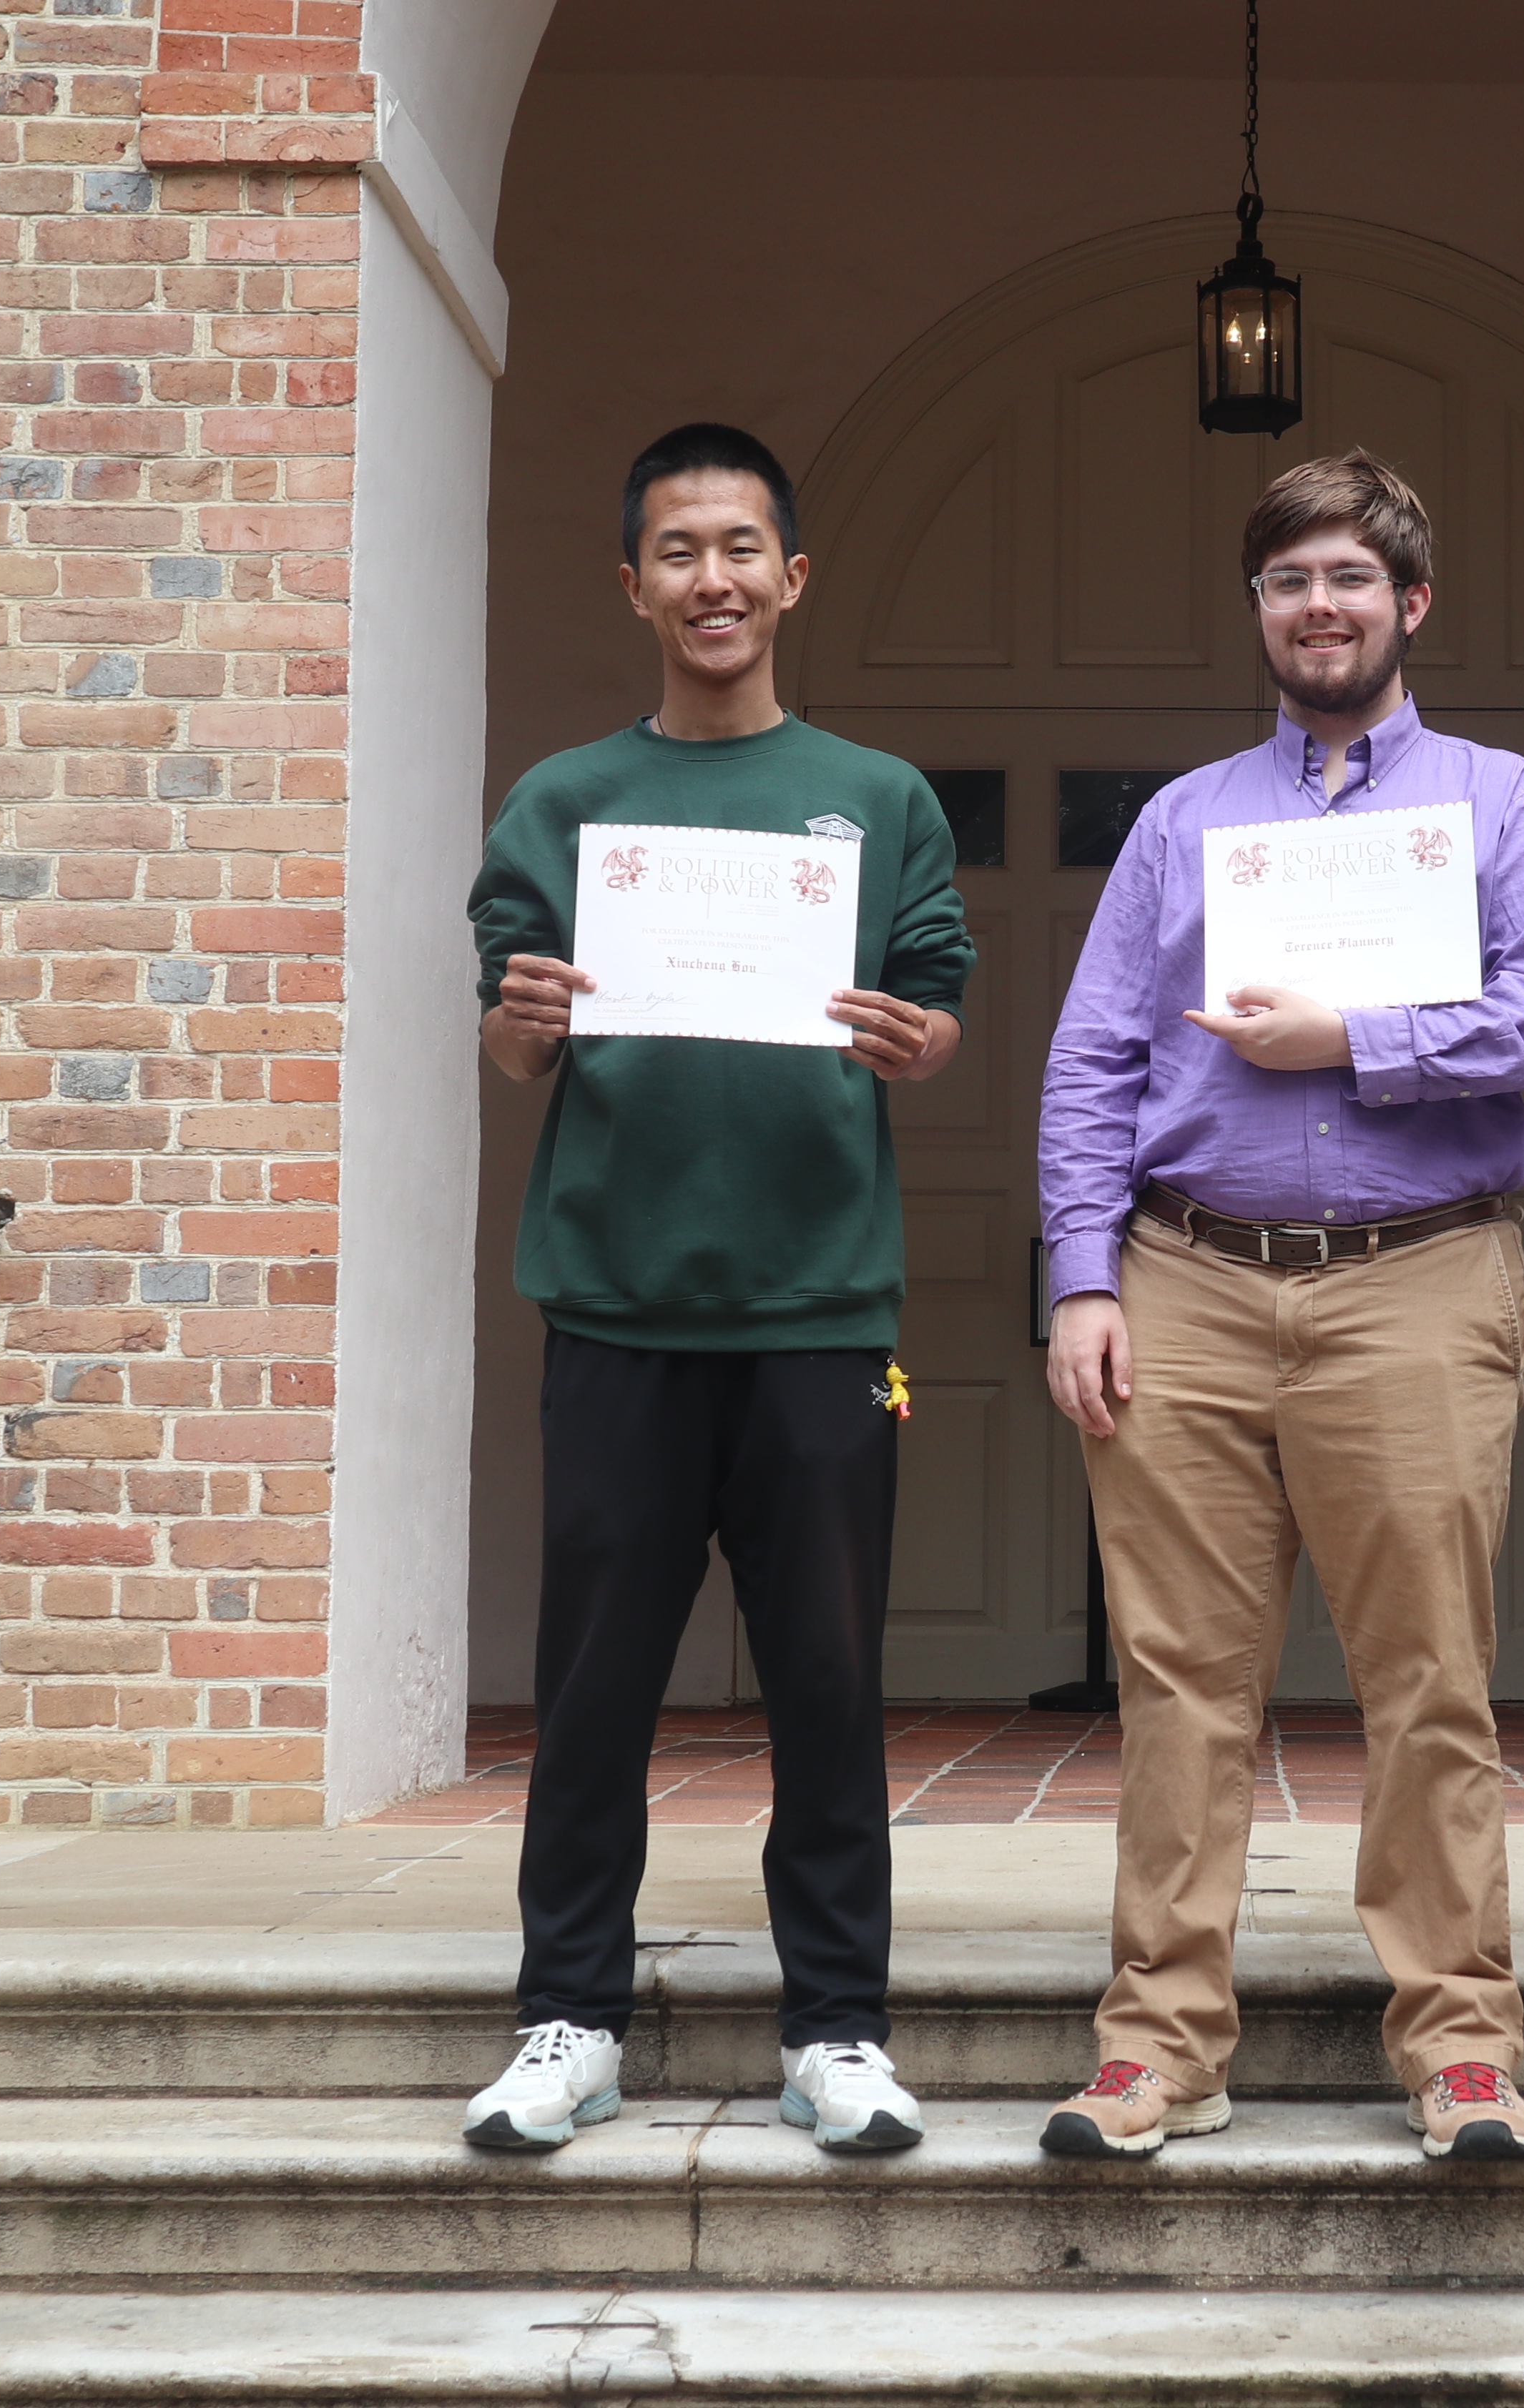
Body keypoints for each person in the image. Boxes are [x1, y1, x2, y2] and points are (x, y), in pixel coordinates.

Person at [1034, 450, 1524, 2163]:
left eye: (1352, 579)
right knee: (1176, 1685)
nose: (1321, 607)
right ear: (1259, 611)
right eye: (1289, 581)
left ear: (1410, 604)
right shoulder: (1182, 821)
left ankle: (1460, 2049)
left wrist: (1350, 1038)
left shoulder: (1502, 804)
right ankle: (1158, 2046)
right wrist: (1079, 1272)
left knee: (1430, 1678)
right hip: (1185, 1280)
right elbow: (1093, 1060)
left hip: (1419, 1276)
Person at [458, 423, 974, 2157]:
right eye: (678, 550)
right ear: (634, 583)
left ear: (793, 576)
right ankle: (567, 2018)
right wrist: (517, 1031)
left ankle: (836, 2031)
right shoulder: (561, 800)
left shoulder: (880, 800)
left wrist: (922, 1042)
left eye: (743, 547)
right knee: (593, 1688)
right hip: (614, 1306)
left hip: (827, 1319)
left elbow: (936, 1002)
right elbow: (513, 1040)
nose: (714, 579)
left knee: (829, 1684)